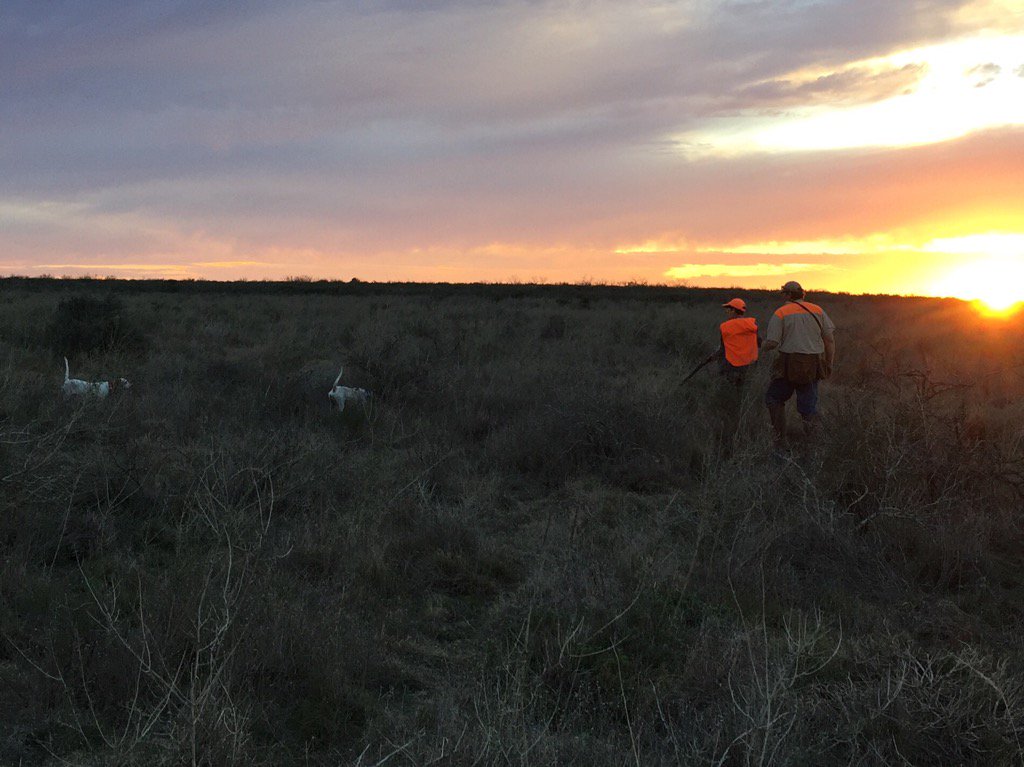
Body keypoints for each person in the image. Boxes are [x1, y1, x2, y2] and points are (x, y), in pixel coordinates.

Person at [762, 281, 836, 442]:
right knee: (808, 409)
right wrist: (829, 363)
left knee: (774, 399)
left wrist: (759, 347)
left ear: (788, 295)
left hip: (788, 365)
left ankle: (780, 442)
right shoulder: (818, 310)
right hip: (813, 365)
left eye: (784, 293)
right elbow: (829, 340)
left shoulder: (780, 313)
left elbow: (773, 342)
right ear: (802, 294)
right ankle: (815, 446)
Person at [709, 297, 760, 386]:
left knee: (728, 388)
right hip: (749, 366)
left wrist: (713, 356)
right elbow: (759, 343)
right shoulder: (752, 325)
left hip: (731, 366)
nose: (726, 311)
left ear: (733, 310)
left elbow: (722, 349)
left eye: (728, 309)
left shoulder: (726, 327)